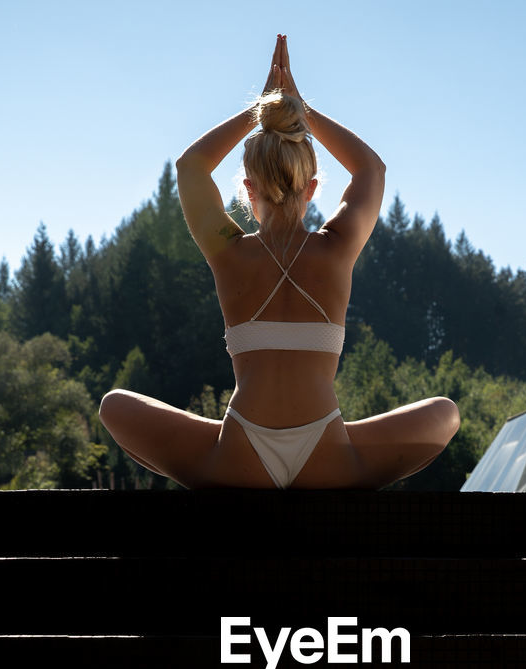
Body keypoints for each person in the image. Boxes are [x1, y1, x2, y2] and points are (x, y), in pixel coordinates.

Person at [99, 35, 459, 489]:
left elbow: (191, 166)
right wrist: (299, 111)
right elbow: (371, 169)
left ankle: (219, 459)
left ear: (248, 190)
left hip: (239, 455)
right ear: (312, 187)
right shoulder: (337, 247)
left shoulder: (228, 252)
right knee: (445, 413)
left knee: (113, 405)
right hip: (326, 455)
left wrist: (262, 111)